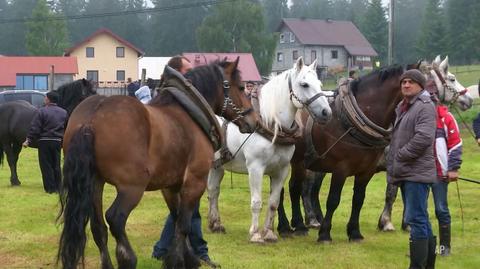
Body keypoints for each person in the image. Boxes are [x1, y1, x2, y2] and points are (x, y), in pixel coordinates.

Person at [152, 55, 217, 268]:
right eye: (187, 71)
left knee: (183, 210)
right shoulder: (175, 100)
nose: (191, 75)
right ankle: (196, 252)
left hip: (180, 162)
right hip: (180, 164)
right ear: (177, 72)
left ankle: (165, 249)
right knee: (187, 210)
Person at [386, 69, 437, 269]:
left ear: (421, 85)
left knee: (416, 219)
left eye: (411, 82)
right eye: (404, 82)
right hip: (408, 172)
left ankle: (417, 266)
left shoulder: (424, 106)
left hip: (416, 172)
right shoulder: (404, 106)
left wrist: (400, 155)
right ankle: (428, 264)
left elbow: (424, 138)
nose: (406, 85)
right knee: (421, 218)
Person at [431, 98, 462, 257]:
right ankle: (423, 248)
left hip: (439, 174)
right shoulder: (413, 116)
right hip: (417, 173)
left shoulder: (446, 118)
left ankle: (444, 248)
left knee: (441, 209)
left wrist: (453, 168)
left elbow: (455, 144)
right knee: (417, 212)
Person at [22, 91, 67, 194]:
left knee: (46, 165)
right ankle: (58, 186)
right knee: (56, 164)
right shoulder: (64, 112)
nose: (44, 99)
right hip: (57, 141)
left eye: (45, 97)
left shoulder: (41, 111)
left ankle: (50, 188)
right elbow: (65, 127)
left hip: (44, 141)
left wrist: (28, 140)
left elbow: (35, 128)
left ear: (48, 99)